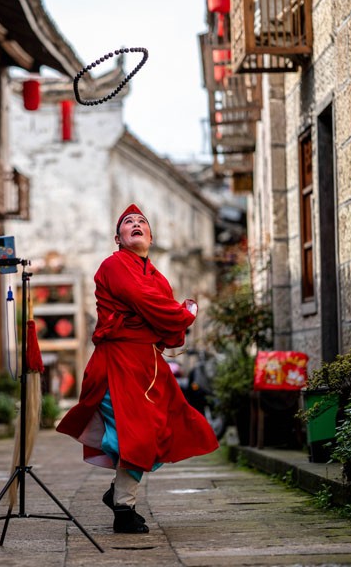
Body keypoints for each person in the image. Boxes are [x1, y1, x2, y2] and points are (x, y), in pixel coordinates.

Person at [56, 204, 219, 534]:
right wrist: (185, 312)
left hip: (150, 364)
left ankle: (120, 493)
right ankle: (123, 509)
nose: (135, 224)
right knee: (136, 432)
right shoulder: (114, 265)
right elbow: (146, 302)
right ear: (118, 238)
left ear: (150, 236)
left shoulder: (157, 276)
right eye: (128, 222)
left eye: (141, 221)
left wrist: (171, 318)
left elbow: (169, 330)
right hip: (117, 363)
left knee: (160, 428)